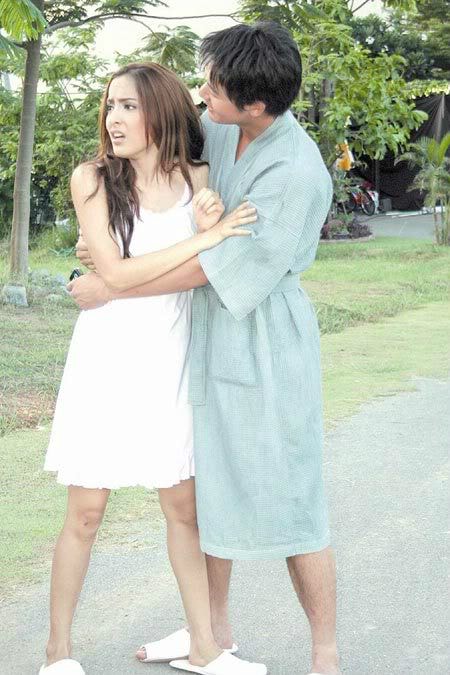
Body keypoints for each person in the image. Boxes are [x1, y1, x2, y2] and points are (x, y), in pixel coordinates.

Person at [72, 22, 341, 675]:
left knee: (293, 497)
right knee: (206, 487)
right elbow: (154, 173)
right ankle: (210, 637)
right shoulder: (217, 124)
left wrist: (113, 284)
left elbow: (212, 267)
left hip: (264, 341)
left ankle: (325, 654)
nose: (202, 94)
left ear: (256, 104)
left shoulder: (296, 172)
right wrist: (103, 242)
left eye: (213, 88)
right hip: (195, 332)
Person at [40, 62, 267, 675]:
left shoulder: (198, 177)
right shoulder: (91, 178)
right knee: (85, 513)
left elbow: (188, 274)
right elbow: (113, 272)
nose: (114, 119)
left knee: (183, 511)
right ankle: (57, 652)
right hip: (106, 360)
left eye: (129, 106)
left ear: (161, 113)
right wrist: (205, 238)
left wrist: (209, 225)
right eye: (110, 106)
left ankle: (204, 648)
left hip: (172, 359)